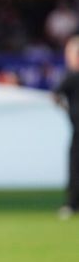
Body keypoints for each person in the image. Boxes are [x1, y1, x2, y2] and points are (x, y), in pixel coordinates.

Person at [53, 35, 79, 220]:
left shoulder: (71, 76)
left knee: (75, 166)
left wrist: (68, 110)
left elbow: (55, 96)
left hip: (77, 129)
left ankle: (72, 204)